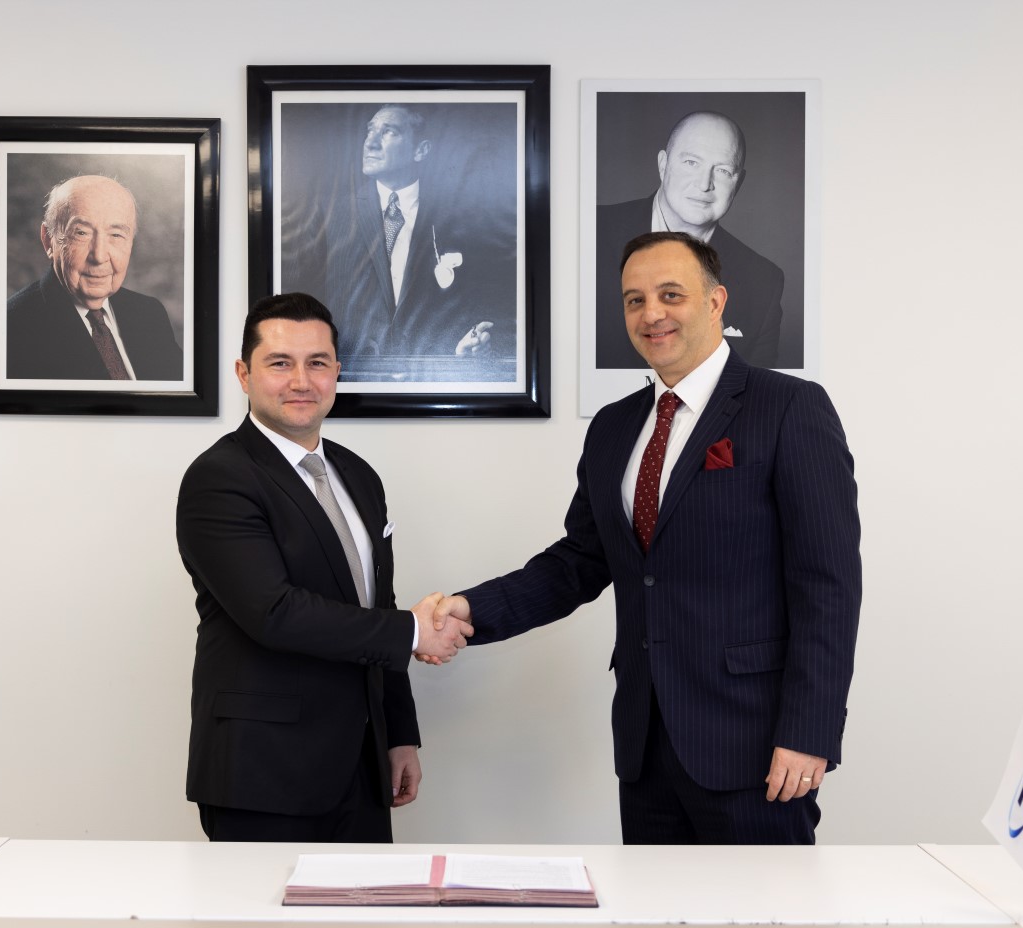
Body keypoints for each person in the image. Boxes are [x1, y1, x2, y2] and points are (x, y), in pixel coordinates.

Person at [429, 233, 859, 844]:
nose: (651, 313)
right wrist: (470, 610)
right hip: (645, 743)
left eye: (670, 294)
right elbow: (580, 561)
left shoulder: (790, 407)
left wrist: (809, 731)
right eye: (635, 300)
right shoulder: (613, 427)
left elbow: (828, 587)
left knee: (764, 909)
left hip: (757, 746)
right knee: (652, 909)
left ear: (716, 302)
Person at [176, 293, 472, 842]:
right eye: (279, 363)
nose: (301, 381)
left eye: (317, 362)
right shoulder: (219, 477)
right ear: (243, 374)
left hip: (361, 767)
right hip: (262, 773)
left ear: (337, 372)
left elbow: (377, 605)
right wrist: (413, 631)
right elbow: (274, 612)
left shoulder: (358, 475)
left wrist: (398, 734)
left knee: (368, 903)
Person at [285, 105, 514, 364]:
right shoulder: (330, 214)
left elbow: (479, 305)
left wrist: (466, 347)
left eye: (389, 132)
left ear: (420, 150)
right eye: (370, 131)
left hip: (429, 375)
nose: (370, 143)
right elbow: (300, 304)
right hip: (349, 376)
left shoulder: (459, 218)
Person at [596, 112, 787, 370]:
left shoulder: (764, 281)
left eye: (723, 170)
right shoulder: (591, 231)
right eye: (691, 162)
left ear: (738, 182)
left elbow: (759, 388)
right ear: (663, 165)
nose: (704, 184)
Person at [6, 174, 183, 381]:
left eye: (116, 235)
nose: (99, 256)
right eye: (81, 233)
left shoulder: (150, 313)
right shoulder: (12, 329)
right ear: (48, 240)